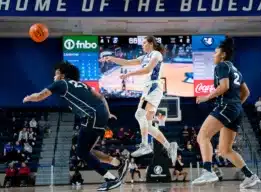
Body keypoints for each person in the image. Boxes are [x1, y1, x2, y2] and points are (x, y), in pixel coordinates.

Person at [22, 61, 129, 191]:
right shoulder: (83, 85)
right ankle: (117, 163)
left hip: (92, 116)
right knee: (86, 151)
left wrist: (28, 98)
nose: (54, 77)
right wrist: (108, 113)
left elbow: (39, 96)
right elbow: (101, 97)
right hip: (99, 115)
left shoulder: (61, 83)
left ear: (62, 75)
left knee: (81, 152)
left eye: (56, 74)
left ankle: (110, 179)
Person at [192, 37, 261, 188]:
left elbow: (223, 87)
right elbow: (246, 93)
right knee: (224, 150)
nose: (213, 55)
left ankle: (207, 171)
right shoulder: (235, 69)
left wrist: (206, 97)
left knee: (202, 136)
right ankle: (250, 176)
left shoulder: (221, 66)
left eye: (215, 52)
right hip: (236, 110)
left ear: (223, 54)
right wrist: (235, 106)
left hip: (226, 106)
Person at [99, 36, 178, 165]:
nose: (143, 45)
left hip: (153, 88)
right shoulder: (144, 57)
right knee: (148, 125)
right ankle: (169, 146)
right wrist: (112, 58)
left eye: (145, 42)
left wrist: (128, 75)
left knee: (139, 114)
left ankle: (145, 145)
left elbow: (147, 70)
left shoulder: (156, 54)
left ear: (151, 43)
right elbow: (127, 62)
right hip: (149, 89)